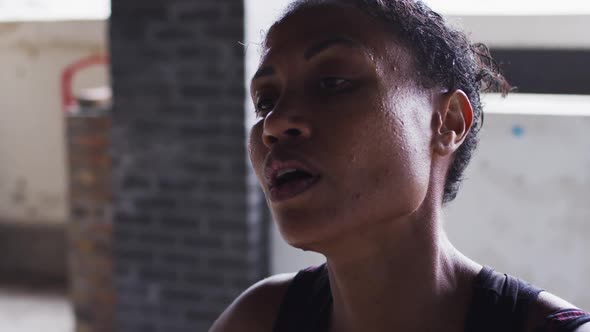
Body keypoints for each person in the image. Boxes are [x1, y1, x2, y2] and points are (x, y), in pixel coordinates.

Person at [210, 0, 590, 331]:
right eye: (265, 101)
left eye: (333, 82)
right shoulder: (258, 319)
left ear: (448, 121)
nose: (274, 124)